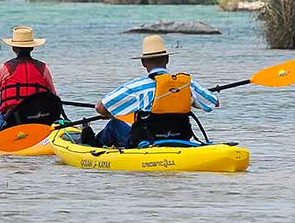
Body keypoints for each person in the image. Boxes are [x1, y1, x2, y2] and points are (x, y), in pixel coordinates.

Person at [89, 34, 219, 148]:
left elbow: (100, 107)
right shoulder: (186, 84)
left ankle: (92, 147)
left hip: (147, 142)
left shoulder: (137, 87)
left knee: (114, 124)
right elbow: (214, 102)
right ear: (167, 59)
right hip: (180, 139)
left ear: (143, 62)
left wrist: (111, 114)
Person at [0, 26, 62, 133]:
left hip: (14, 123)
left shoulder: (6, 68)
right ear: (32, 48)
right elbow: (54, 96)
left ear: (13, 48)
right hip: (42, 121)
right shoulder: (43, 68)